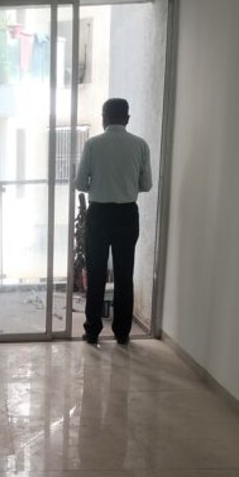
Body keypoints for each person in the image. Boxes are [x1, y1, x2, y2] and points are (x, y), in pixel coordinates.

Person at [75, 98, 152, 345]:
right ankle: (122, 332)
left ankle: (93, 331)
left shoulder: (93, 145)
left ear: (104, 118)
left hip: (99, 214)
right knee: (124, 274)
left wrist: (97, 183)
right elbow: (146, 185)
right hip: (127, 214)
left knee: (96, 272)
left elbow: (79, 183)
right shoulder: (140, 145)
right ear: (127, 118)